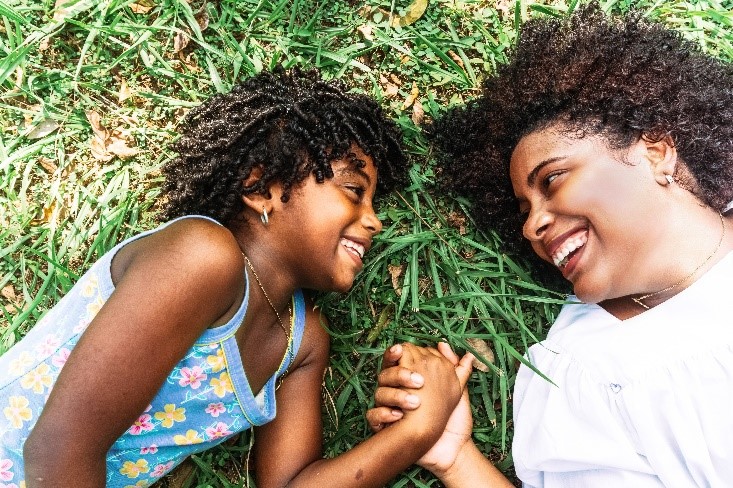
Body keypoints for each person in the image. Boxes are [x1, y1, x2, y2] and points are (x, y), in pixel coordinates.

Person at [0, 68, 468, 488]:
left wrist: (419, 429)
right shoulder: (201, 256)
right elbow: (60, 445)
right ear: (262, 188)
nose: (373, 221)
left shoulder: (301, 343)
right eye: (353, 190)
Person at [367, 3, 733, 487]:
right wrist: (455, 458)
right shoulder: (586, 374)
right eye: (522, 210)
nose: (532, 225)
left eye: (553, 179)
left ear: (655, 151)